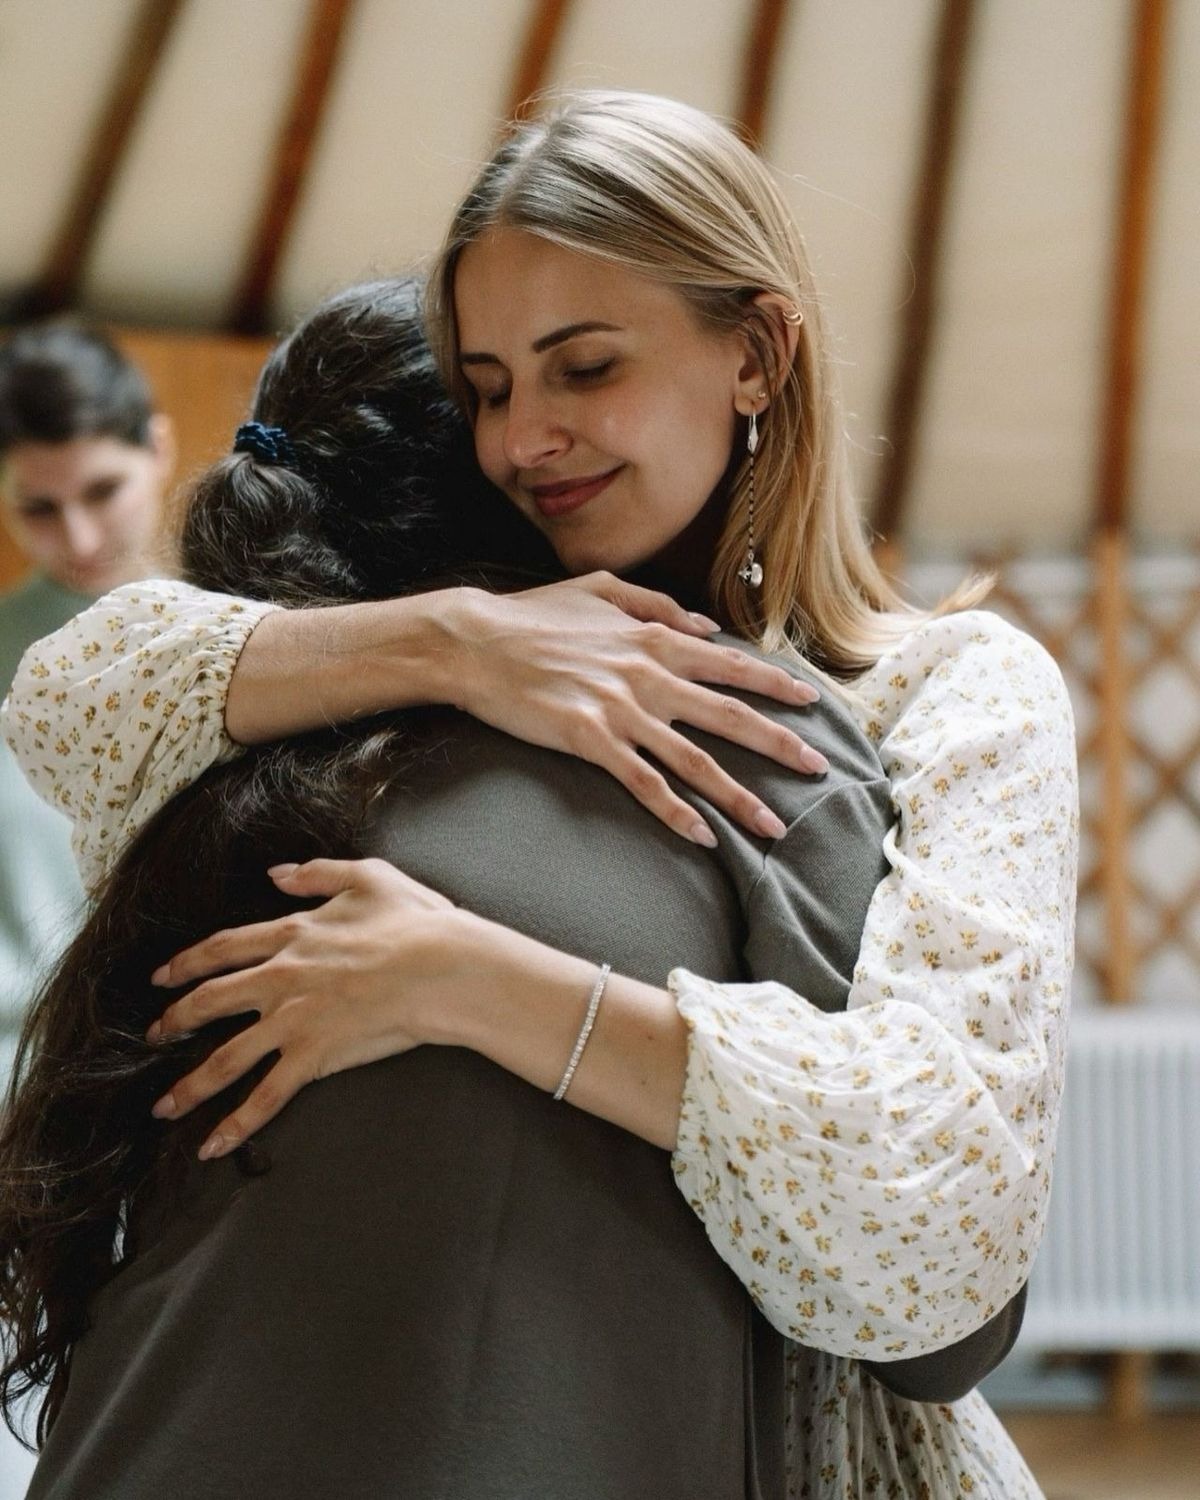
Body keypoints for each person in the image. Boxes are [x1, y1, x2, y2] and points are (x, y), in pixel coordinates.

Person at [1, 91, 1077, 1491]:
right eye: (491, 388)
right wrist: (464, 640)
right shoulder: (430, 664)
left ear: (756, 355)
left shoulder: (941, 695)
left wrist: (469, 979)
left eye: (585, 368)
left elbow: (943, 1226)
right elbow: (66, 698)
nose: (525, 440)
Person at [0, 324, 173, 1071]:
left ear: (159, 449)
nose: (79, 537)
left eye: (103, 491)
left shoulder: (261, 633)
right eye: (39, 508)